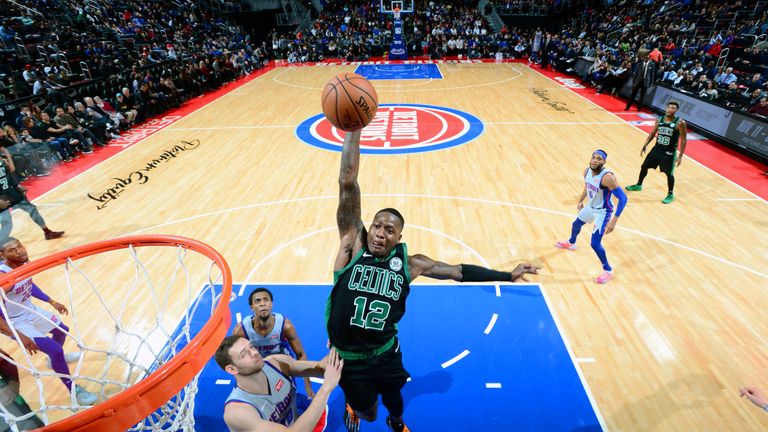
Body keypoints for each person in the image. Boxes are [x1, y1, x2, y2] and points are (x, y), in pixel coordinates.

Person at [329, 131, 540, 432]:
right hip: (349, 355)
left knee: (394, 399)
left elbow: (458, 272)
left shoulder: (412, 264)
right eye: (376, 225)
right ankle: (355, 402)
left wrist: (507, 274)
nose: (379, 232)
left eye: (389, 230)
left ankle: (398, 421)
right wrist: (353, 127)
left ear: (399, 238)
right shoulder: (352, 246)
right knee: (369, 414)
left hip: (385, 351)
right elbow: (347, 183)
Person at [0, 237, 97, 405]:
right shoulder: (3, 277)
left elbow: (28, 285)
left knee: (62, 330)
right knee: (56, 351)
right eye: (12, 250)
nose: (19, 251)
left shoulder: (22, 264)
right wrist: (18, 334)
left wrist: (51, 301)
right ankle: (74, 390)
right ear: (2, 255)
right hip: (15, 322)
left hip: (29, 310)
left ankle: (55, 362)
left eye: (20, 246)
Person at [215, 336, 342, 431]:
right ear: (232, 369)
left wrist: (340, 348)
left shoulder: (275, 363)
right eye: (245, 354)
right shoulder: (237, 412)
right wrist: (326, 388)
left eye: (251, 346)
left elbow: (320, 368)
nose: (254, 352)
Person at [554, 150, 628, 284]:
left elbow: (623, 198)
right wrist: (580, 200)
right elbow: (588, 187)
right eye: (594, 158)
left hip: (603, 212)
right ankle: (571, 243)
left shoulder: (608, 177)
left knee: (595, 243)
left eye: (599, 159)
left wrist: (614, 221)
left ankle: (608, 270)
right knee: (576, 225)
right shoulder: (586, 171)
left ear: (604, 162)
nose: (595, 160)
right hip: (590, 207)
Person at [232, 287, 316, 400]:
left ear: (271, 304)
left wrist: (307, 385)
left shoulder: (285, 326)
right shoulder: (241, 330)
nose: (262, 304)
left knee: (288, 400)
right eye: (258, 301)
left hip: (282, 365)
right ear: (252, 307)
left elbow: (301, 354)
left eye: (265, 300)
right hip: (257, 365)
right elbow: (233, 358)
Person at [626, 101, 688, 204]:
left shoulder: (680, 123)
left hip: (669, 153)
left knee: (669, 174)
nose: (669, 109)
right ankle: (639, 185)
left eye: (673, 108)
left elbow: (684, 139)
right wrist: (645, 144)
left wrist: (680, 155)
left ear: (676, 110)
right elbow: (653, 133)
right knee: (644, 166)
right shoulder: (659, 119)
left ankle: (670, 194)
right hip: (657, 149)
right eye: (668, 107)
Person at [0, 148, 64, 241]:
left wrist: (17, 185)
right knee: (7, 223)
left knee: (32, 210)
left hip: (11, 192)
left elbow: (9, 175)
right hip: (1, 198)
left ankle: (47, 232)